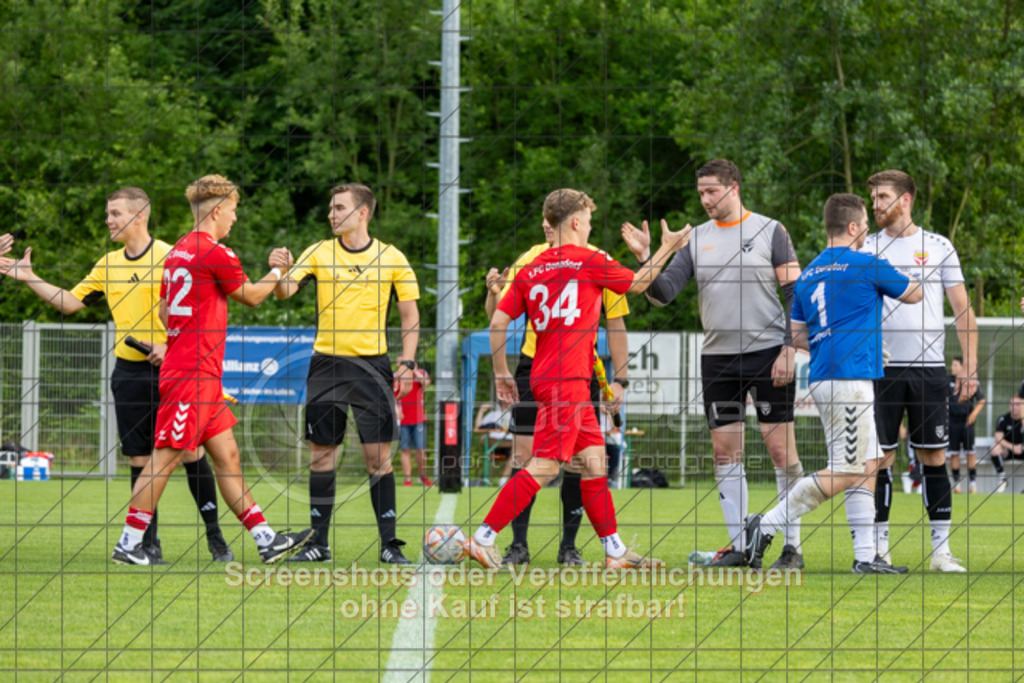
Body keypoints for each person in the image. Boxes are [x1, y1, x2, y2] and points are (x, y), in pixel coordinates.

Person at [0, 189, 232, 564]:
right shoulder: (107, 265)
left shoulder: (175, 257)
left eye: (114, 213)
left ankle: (215, 537)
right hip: (129, 374)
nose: (107, 219)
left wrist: (170, 348)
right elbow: (71, 302)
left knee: (191, 452)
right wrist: (26, 276)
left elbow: (203, 316)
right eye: (107, 213)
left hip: (176, 370)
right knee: (140, 460)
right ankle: (146, 545)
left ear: (139, 215)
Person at [464, 188, 687, 570]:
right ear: (578, 222)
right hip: (567, 382)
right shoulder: (589, 260)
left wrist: (502, 372)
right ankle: (484, 538)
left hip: (548, 376)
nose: (589, 227)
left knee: (594, 461)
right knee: (547, 465)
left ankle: (615, 552)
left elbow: (498, 321)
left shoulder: (532, 267)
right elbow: (637, 284)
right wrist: (666, 248)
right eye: (588, 219)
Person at [110, 174, 313, 565]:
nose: (234, 219)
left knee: (228, 456)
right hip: (191, 375)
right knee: (164, 459)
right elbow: (252, 297)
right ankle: (130, 543)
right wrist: (275, 272)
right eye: (233, 211)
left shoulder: (177, 252)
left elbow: (164, 310)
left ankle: (266, 538)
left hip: (196, 373)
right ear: (217, 210)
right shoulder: (215, 252)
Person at [622, 158, 806, 569]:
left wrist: (790, 349)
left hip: (768, 356)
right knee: (725, 454)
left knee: (781, 452)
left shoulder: (771, 230)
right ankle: (743, 549)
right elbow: (663, 293)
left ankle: (792, 548)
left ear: (734, 187)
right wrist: (646, 257)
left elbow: (797, 292)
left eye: (711, 191)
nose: (704, 199)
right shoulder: (695, 238)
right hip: (718, 359)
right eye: (700, 192)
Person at [742, 193, 922, 573]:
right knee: (848, 468)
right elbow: (914, 293)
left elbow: (798, 335)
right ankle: (766, 525)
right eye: (865, 228)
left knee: (867, 464)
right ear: (853, 227)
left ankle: (865, 557)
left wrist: (852, 341)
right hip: (849, 381)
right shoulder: (867, 263)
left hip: (827, 376)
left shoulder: (808, 273)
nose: (866, 234)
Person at [274, 183, 420, 564]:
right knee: (322, 456)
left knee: (378, 458)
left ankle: (389, 546)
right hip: (326, 366)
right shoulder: (319, 252)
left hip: (373, 367)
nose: (331, 214)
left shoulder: (392, 257)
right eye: (330, 208)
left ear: (362, 213)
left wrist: (406, 362)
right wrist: (278, 269)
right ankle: (318, 544)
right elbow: (284, 291)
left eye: (339, 207)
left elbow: (409, 316)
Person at [484, 219, 631, 567]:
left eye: (552, 221)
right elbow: (497, 317)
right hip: (535, 365)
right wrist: (493, 295)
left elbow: (615, 321)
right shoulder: (530, 259)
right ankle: (515, 544)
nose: (546, 226)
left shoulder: (595, 257)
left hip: (580, 369)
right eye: (543, 222)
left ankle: (571, 546)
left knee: (585, 461)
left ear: (569, 222)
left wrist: (621, 378)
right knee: (528, 456)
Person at [861, 169, 978, 573]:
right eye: (872, 198)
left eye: (882, 197)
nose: (875, 205)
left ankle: (941, 552)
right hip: (880, 368)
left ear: (906, 199)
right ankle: (878, 549)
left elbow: (963, 310)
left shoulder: (939, 246)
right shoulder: (866, 247)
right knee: (878, 459)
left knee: (933, 455)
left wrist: (970, 368)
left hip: (929, 370)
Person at [948, 356, 985, 494]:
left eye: (955, 365)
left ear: (962, 367)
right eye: (952, 365)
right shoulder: (948, 381)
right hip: (952, 422)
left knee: (970, 452)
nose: (952, 368)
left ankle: (973, 484)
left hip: (967, 422)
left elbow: (981, 400)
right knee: (954, 453)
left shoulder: (971, 381)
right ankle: (956, 484)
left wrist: (973, 414)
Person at [395, 366, 433, 487]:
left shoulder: (421, 373)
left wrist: (415, 371)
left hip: (419, 419)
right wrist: (396, 410)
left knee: (420, 449)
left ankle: (423, 476)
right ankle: (407, 479)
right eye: (399, 362)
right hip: (402, 419)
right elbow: (391, 395)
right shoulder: (395, 376)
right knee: (405, 449)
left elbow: (426, 383)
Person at [989, 395, 1024, 494]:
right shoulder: (1003, 419)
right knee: (994, 448)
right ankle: (1003, 478)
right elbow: (998, 438)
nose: (1015, 407)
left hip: (1023, 450)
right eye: (1012, 404)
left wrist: (1021, 447)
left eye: (1017, 404)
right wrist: (1013, 447)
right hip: (1009, 451)